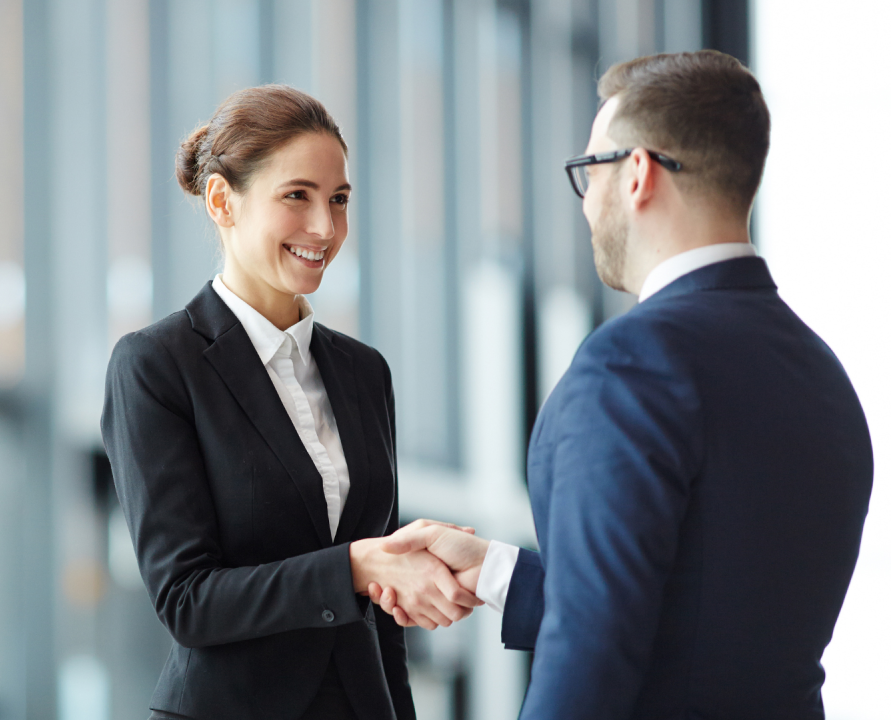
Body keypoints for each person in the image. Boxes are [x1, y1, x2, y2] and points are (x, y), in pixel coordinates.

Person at [372, 50, 874, 719]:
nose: (587, 205)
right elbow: (701, 621)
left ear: (637, 173)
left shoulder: (630, 365)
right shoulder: (823, 376)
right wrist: (497, 574)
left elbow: (592, 655)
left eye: (590, 172)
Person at [101, 85, 480, 720]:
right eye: (296, 196)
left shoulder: (363, 371)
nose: (325, 228)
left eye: (338, 200)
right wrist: (354, 566)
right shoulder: (157, 365)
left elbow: (381, 619)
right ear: (223, 201)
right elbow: (187, 601)